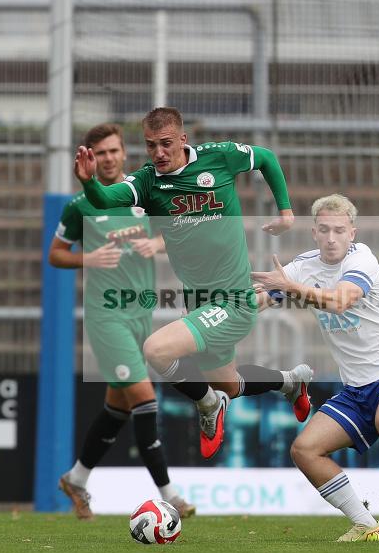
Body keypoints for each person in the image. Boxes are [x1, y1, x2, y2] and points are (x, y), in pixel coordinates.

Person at [72, 107, 310, 460]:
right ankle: (290, 382)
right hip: (200, 301)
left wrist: (286, 211)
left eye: (166, 144)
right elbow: (106, 198)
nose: (159, 153)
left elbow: (266, 159)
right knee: (228, 383)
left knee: (156, 350)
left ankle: (209, 405)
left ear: (183, 139)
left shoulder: (219, 158)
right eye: (151, 146)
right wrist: (90, 182)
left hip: (230, 302)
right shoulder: (148, 181)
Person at [251, 194, 379, 542]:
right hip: (356, 389)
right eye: (324, 230)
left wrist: (290, 287)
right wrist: (212, 317)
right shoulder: (303, 266)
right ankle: (367, 524)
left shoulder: (362, 260)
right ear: (314, 232)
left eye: (339, 230)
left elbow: (340, 301)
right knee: (304, 450)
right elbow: (259, 300)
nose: (331, 238)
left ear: (352, 233)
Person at [53, 123, 195, 519]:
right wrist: (87, 258)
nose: (109, 158)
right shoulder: (80, 205)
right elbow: (55, 254)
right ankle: (172, 497)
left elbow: (175, 231)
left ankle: (76, 478)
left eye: (114, 151)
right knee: (146, 400)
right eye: (101, 153)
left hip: (140, 315)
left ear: (122, 153)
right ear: (90, 159)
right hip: (106, 317)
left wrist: (157, 242)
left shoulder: (142, 195)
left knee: (118, 407)